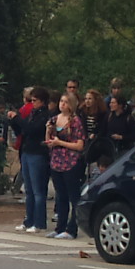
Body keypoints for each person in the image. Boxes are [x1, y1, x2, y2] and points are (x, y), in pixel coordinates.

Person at [6, 86, 53, 233]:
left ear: (42, 101)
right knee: (29, 189)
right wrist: (14, 122)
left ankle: (39, 222)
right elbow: (23, 130)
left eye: (35, 100)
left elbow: (32, 129)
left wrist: (18, 119)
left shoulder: (44, 115)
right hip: (27, 151)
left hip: (37, 153)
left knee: (38, 190)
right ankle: (29, 220)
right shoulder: (33, 113)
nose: (33, 103)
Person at [46, 91, 87, 239]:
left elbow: (79, 145)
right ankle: (60, 227)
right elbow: (49, 142)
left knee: (73, 196)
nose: (62, 104)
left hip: (70, 161)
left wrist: (60, 143)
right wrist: (48, 131)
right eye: (61, 101)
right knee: (61, 195)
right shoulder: (54, 119)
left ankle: (72, 228)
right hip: (56, 161)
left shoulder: (75, 121)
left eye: (65, 102)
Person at [78, 89, 109, 173]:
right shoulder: (82, 112)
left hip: (97, 142)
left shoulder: (102, 113)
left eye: (90, 99)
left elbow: (103, 128)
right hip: (84, 140)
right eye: (86, 99)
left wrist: (95, 134)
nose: (87, 101)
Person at [104, 92, 135, 159]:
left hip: (124, 149)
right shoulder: (109, 116)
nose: (110, 105)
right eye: (110, 103)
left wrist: (121, 137)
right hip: (111, 148)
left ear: (120, 105)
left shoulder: (128, 118)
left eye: (113, 103)